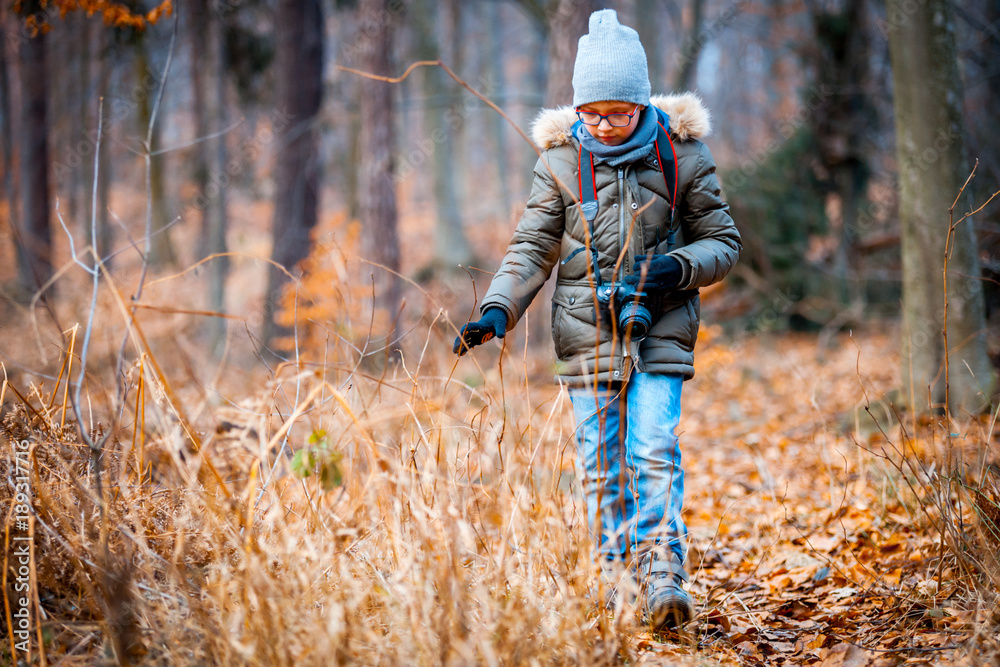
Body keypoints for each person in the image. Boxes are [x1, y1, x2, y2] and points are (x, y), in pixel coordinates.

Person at [453, 9, 740, 630]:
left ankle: (664, 575)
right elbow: (532, 247)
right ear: (577, 107)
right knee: (599, 463)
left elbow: (723, 241)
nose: (603, 126)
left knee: (654, 448)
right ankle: (612, 582)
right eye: (592, 113)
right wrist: (497, 310)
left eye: (617, 113)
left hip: (660, 327)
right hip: (585, 333)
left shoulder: (683, 155)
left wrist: (677, 269)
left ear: (640, 104)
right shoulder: (558, 163)